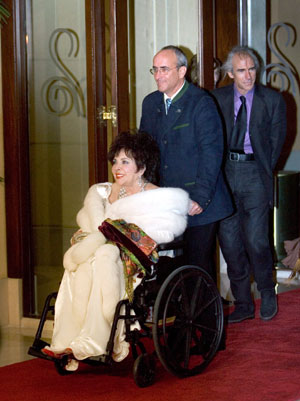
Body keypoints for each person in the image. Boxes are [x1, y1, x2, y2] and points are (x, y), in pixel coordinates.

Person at [42, 131, 190, 370]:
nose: (117, 168)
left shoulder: (154, 196)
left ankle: (95, 340)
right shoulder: (106, 192)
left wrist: (111, 241)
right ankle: (71, 340)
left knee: (103, 257)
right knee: (82, 267)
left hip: (135, 258)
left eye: (125, 162)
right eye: (115, 161)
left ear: (141, 168)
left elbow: (156, 236)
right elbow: (91, 225)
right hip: (103, 251)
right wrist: (87, 236)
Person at [140, 45, 233, 280]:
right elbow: (145, 150)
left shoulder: (201, 102)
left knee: (197, 262)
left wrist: (200, 197)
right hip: (168, 198)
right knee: (174, 263)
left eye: (164, 69)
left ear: (182, 72)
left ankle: (204, 316)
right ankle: (183, 313)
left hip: (201, 199)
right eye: (155, 70)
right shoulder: (151, 103)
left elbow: (211, 154)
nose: (158, 75)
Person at [212, 46, 287, 323]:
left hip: (256, 172)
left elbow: (277, 143)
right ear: (231, 73)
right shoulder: (217, 99)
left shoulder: (272, 100)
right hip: (226, 173)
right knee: (230, 242)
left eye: (252, 69)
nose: (248, 75)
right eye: (241, 70)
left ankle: (267, 291)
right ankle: (243, 302)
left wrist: (261, 166)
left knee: (256, 240)